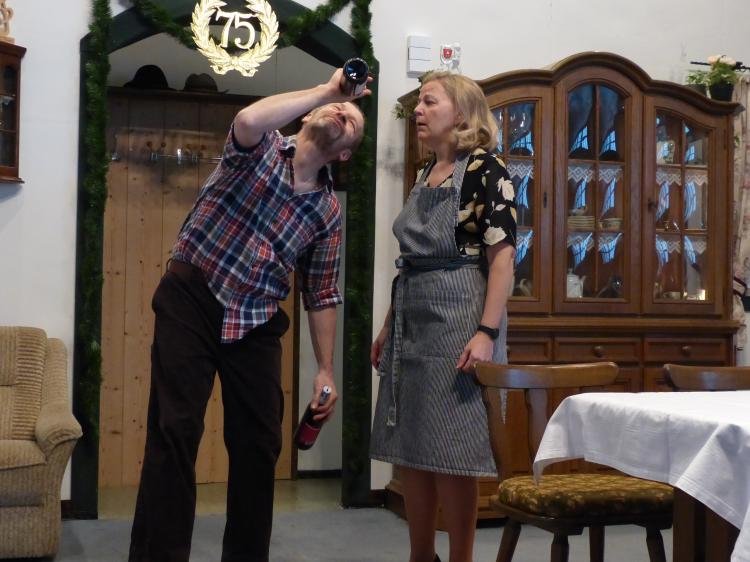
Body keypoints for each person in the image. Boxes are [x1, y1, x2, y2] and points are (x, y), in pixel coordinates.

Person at [128, 67, 370, 562]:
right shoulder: (262, 148)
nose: (342, 112)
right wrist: (326, 91)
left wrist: (326, 369)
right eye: (336, 108)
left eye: (352, 120)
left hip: (256, 319)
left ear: (344, 154)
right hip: (192, 297)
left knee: (260, 444)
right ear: (306, 118)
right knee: (175, 432)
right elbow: (246, 119)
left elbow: (321, 293)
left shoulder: (327, 213)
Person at [370, 71, 516, 562]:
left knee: (452, 450)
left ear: (461, 113)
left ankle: (460, 558)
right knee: (413, 444)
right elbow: (411, 261)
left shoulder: (487, 169)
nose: (418, 110)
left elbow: (502, 259)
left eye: (429, 102)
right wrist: (389, 325)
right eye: (419, 103)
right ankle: (421, 555)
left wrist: (486, 332)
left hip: (460, 318)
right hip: (413, 317)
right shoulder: (426, 173)